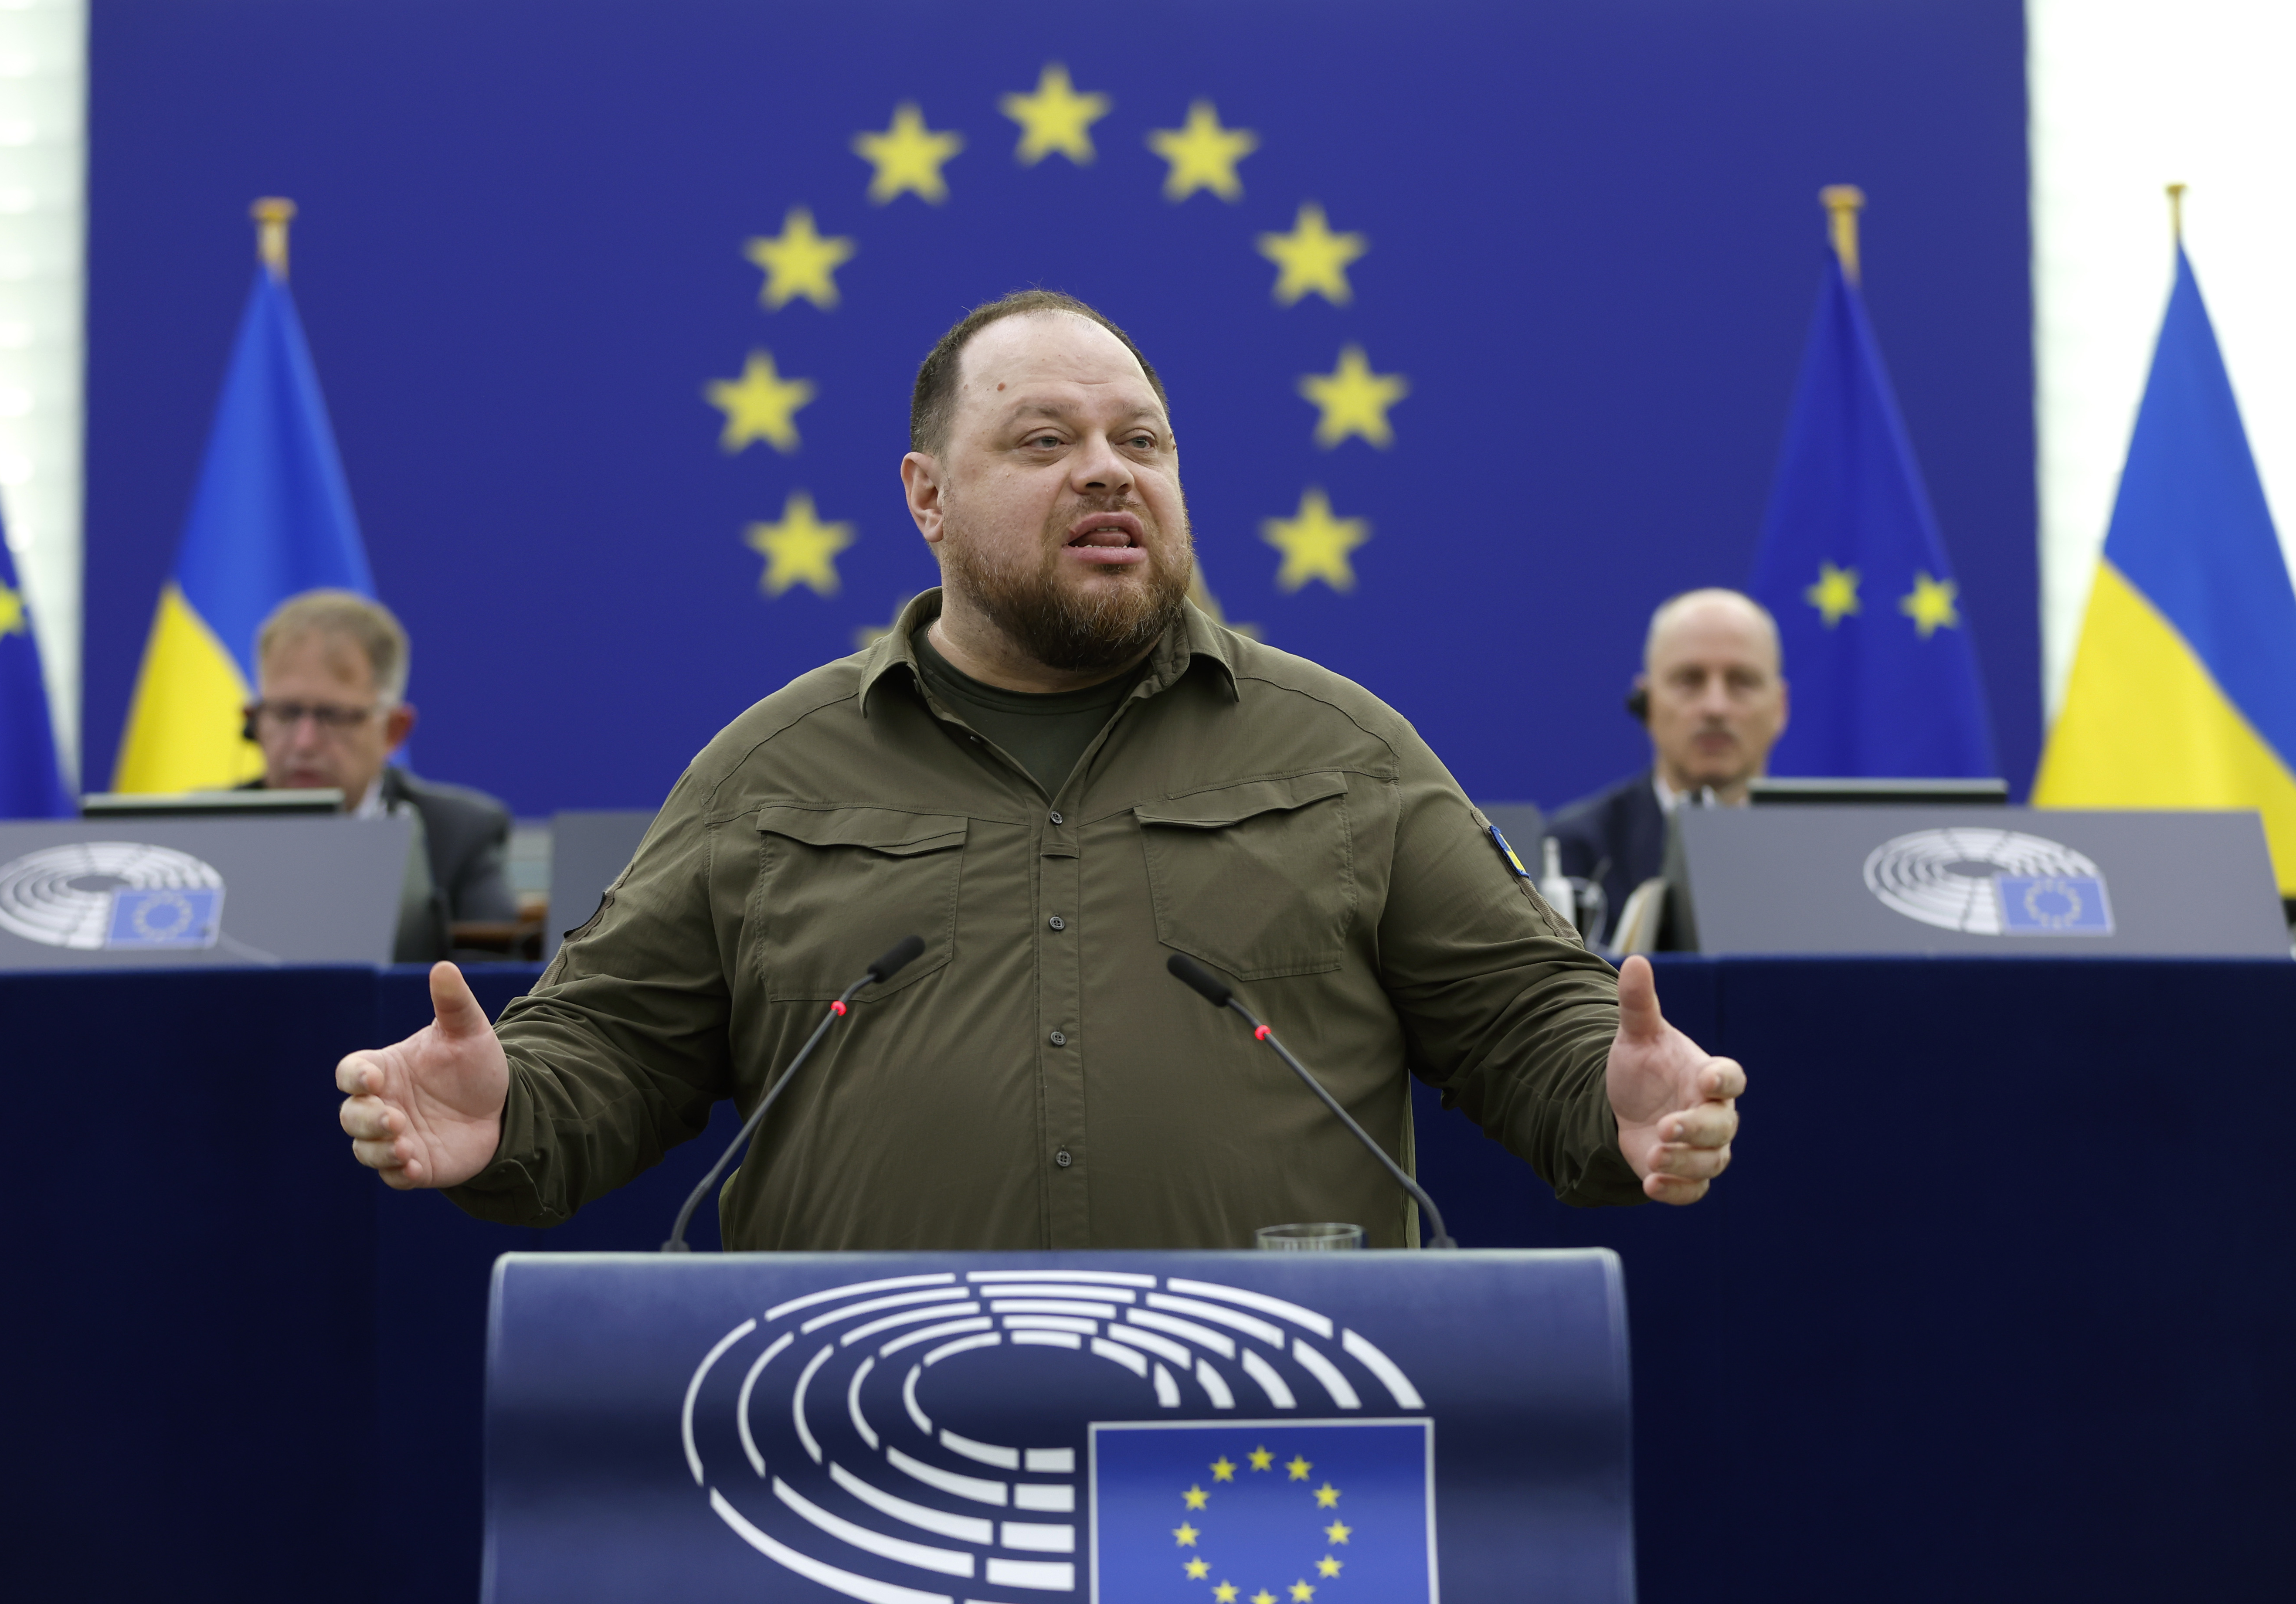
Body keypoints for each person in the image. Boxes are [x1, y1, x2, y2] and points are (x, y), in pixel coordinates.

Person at [336, 291, 1743, 1250]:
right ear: (925, 498)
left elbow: (1519, 1019)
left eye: (1141, 441)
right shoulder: (769, 772)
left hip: (1260, 1444)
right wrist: (511, 1107)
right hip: (867, 1438)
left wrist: (1607, 1100)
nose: (1108, 471)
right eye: (1042, 442)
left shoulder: (1343, 754)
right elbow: (619, 1048)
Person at [246, 589, 516, 931]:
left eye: (333, 715)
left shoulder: (456, 836)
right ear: (254, 719)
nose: (304, 742)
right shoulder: (199, 831)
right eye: (286, 713)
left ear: (393, 729)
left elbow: (487, 974)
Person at [1547, 589, 1789, 940]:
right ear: (1647, 702)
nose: (1715, 707)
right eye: (1689, 680)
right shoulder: (1574, 855)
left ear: (1780, 707)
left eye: (1742, 682)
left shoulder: (1829, 857)